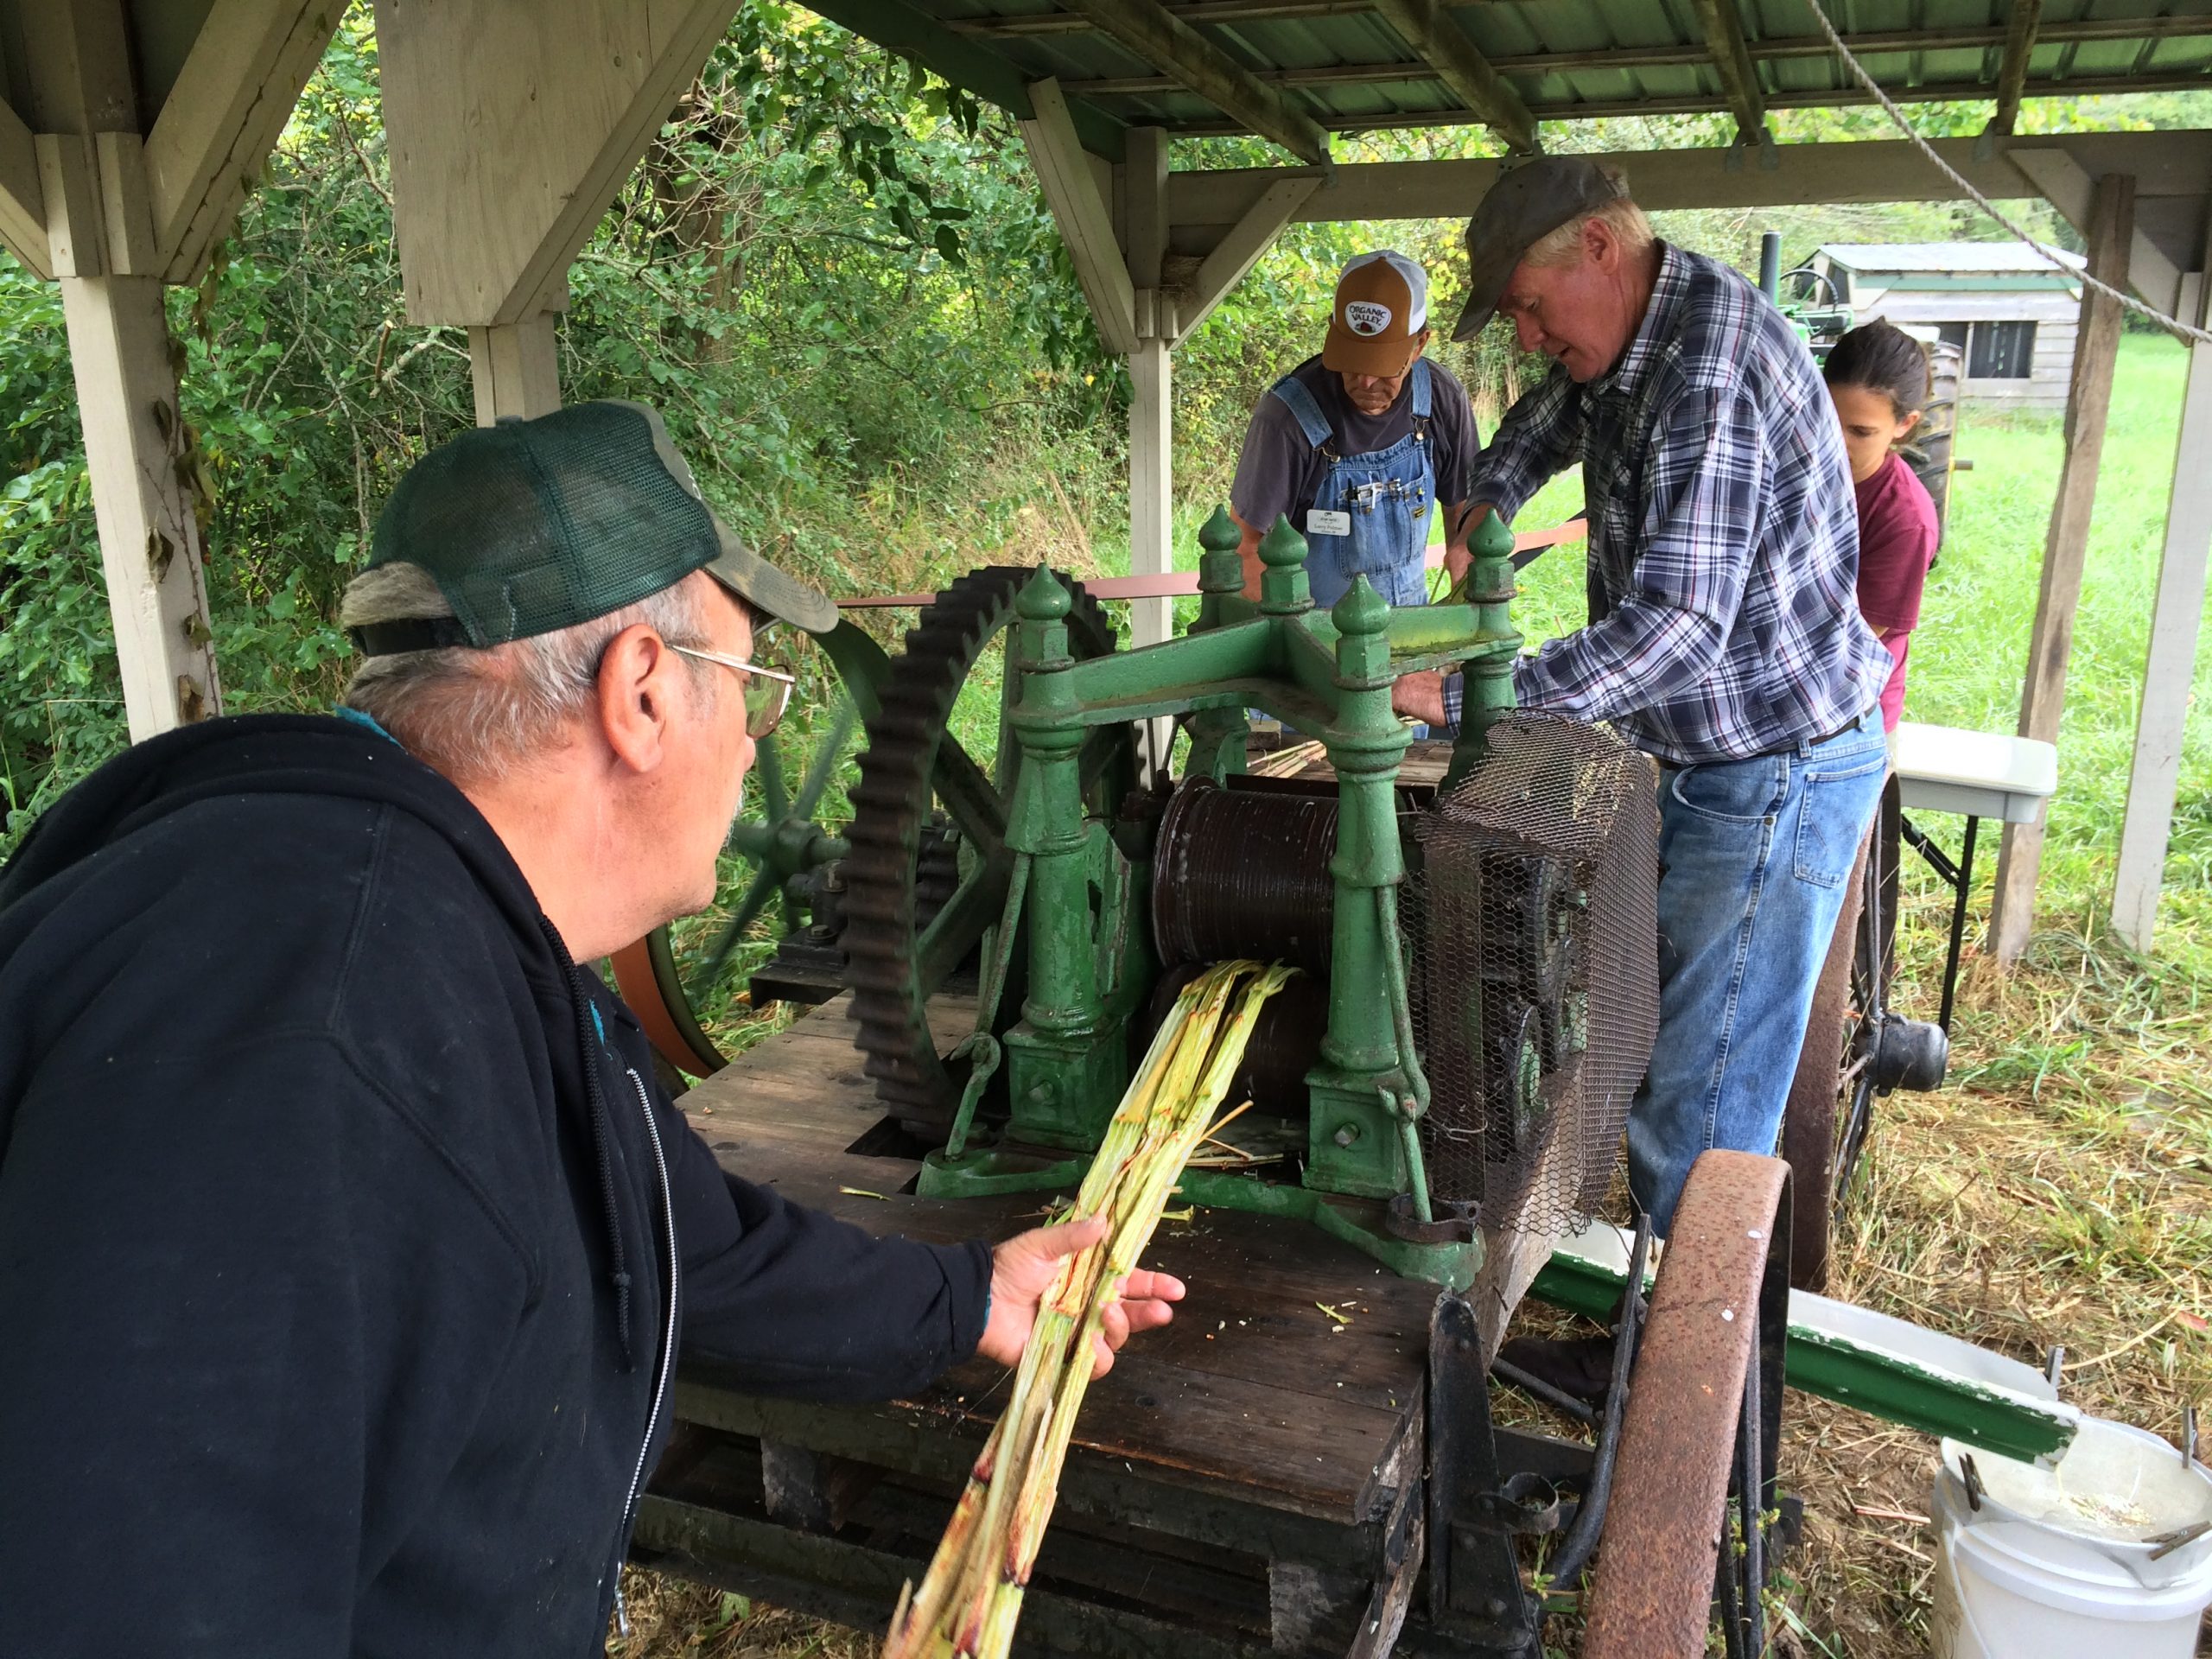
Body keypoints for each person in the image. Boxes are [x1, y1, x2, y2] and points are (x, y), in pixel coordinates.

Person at [0, 401, 1184, 1656]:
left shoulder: (475, 956)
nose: (751, 746)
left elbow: (687, 1246)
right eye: (754, 690)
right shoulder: (311, 1047)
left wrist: (968, 1299)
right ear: (643, 694)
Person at [1398, 158, 1893, 1274]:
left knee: (1703, 1109)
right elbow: (1552, 413)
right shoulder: (1634, 337)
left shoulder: (1706, 372)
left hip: (1773, 774)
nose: (1525, 336)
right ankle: (1658, 1333)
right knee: (1667, 1047)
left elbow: (1676, 631)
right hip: (1709, 760)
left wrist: (1479, 697)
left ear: (1599, 251)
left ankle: (1693, 1396)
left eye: (1528, 305)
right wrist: (1491, 494)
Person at [1230, 249, 1484, 607]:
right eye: (1351, 361)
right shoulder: (1287, 419)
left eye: (1382, 366)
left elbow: (1466, 516)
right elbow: (1245, 549)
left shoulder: (1441, 399)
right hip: (1318, 635)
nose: (1365, 382)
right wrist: (1299, 646)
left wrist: (1456, 619)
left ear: (1419, 345)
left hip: (1412, 629)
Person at [1824, 320, 1942, 733]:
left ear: (1904, 424)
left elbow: (1854, 644)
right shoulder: (1795, 469)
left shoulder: (1906, 519)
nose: (1837, 442)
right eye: (1828, 418)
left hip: (1849, 715)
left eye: (1861, 431)